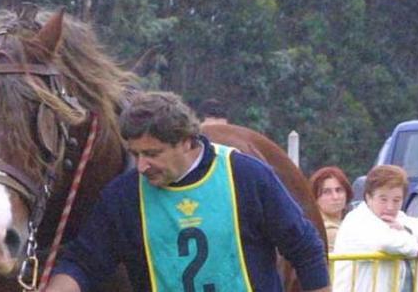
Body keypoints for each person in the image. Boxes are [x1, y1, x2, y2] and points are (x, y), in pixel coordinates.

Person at [46, 91, 330, 292]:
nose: (142, 165)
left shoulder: (247, 176)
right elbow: (83, 263)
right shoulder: (123, 197)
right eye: (135, 154)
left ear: (186, 141)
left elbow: (304, 247)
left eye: (152, 153)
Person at [333, 165, 418, 292]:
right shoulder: (355, 220)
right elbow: (385, 242)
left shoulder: (400, 219)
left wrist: (405, 229)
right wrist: (414, 247)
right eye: (383, 199)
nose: (390, 207)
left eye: (397, 200)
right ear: (368, 197)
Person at [309, 166, 353, 248]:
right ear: (315, 198)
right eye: (327, 192)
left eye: (339, 190)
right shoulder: (327, 230)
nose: (335, 197)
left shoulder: (349, 221)